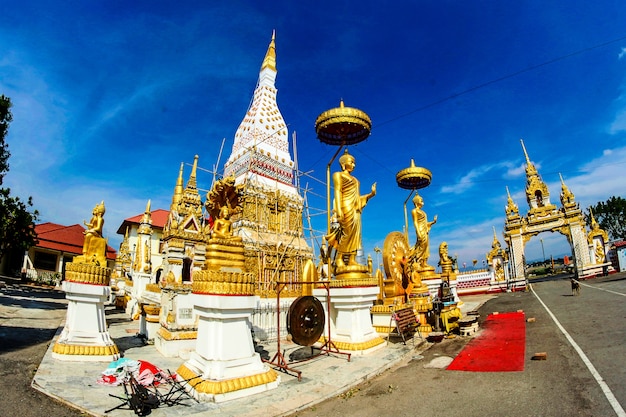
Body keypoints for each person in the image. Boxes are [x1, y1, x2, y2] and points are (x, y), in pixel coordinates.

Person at [326, 149, 376, 268]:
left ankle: (352, 259)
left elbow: (358, 197)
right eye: (351, 162)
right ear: (343, 164)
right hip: (345, 206)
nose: (353, 165)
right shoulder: (338, 175)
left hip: (355, 208)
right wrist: (338, 210)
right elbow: (337, 192)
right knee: (346, 233)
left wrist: (371, 194)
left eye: (354, 163)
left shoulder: (356, 181)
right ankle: (339, 258)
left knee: (355, 234)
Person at [412, 193, 436, 268]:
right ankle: (418, 260)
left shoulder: (423, 212)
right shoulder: (414, 211)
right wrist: (418, 232)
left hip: (425, 230)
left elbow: (425, 223)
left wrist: (433, 222)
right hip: (420, 230)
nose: (422, 202)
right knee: (421, 246)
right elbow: (415, 222)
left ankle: (424, 262)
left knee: (426, 247)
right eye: (421, 200)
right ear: (416, 202)